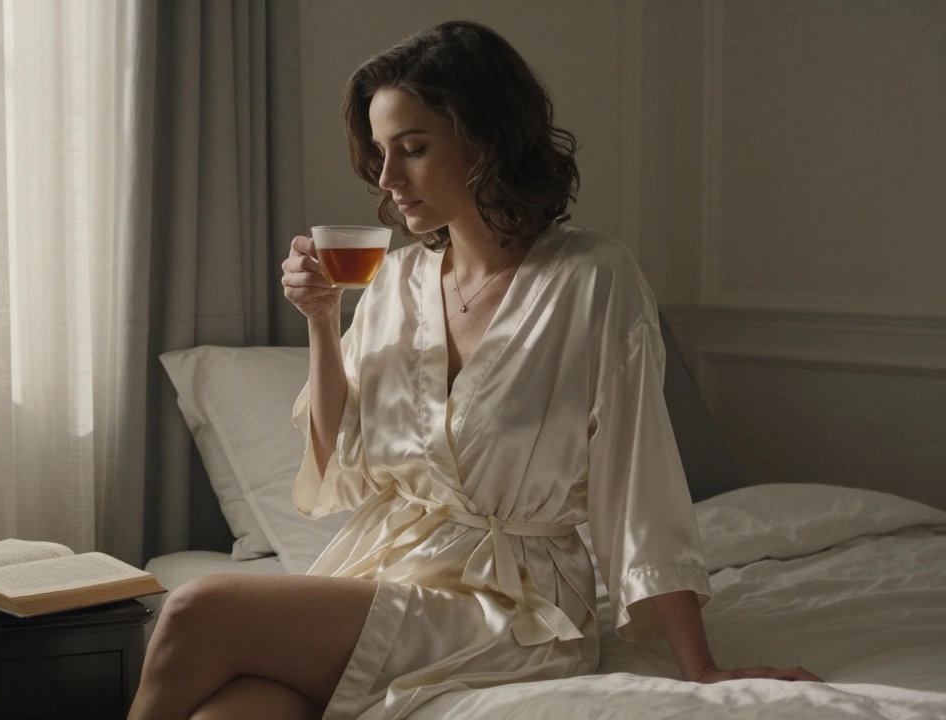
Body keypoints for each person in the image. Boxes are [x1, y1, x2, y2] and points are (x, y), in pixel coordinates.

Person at [127, 20, 820, 720]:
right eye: (380, 153)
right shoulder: (395, 282)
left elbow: (640, 480)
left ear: (486, 139)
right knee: (232, 713)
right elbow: (338, 461)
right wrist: (321, 322)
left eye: (414, 149)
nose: (389, 179)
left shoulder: (591, 278)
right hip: (380, 571)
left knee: (198, 607)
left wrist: (700, 666)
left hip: (512, 605)